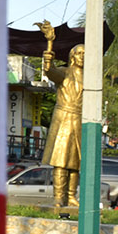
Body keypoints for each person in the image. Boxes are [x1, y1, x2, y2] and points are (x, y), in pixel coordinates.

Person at [37, 30, 85, 208]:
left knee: (75, 162)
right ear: (72, 57)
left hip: (80, 119)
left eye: (85, 54)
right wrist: (50, 44)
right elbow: (49, 71)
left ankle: (71, 196)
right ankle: (59, 197)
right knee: (61, 161)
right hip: (64, 117)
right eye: (78, 53)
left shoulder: (90, 78)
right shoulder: (65, 73)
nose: (82, 56)